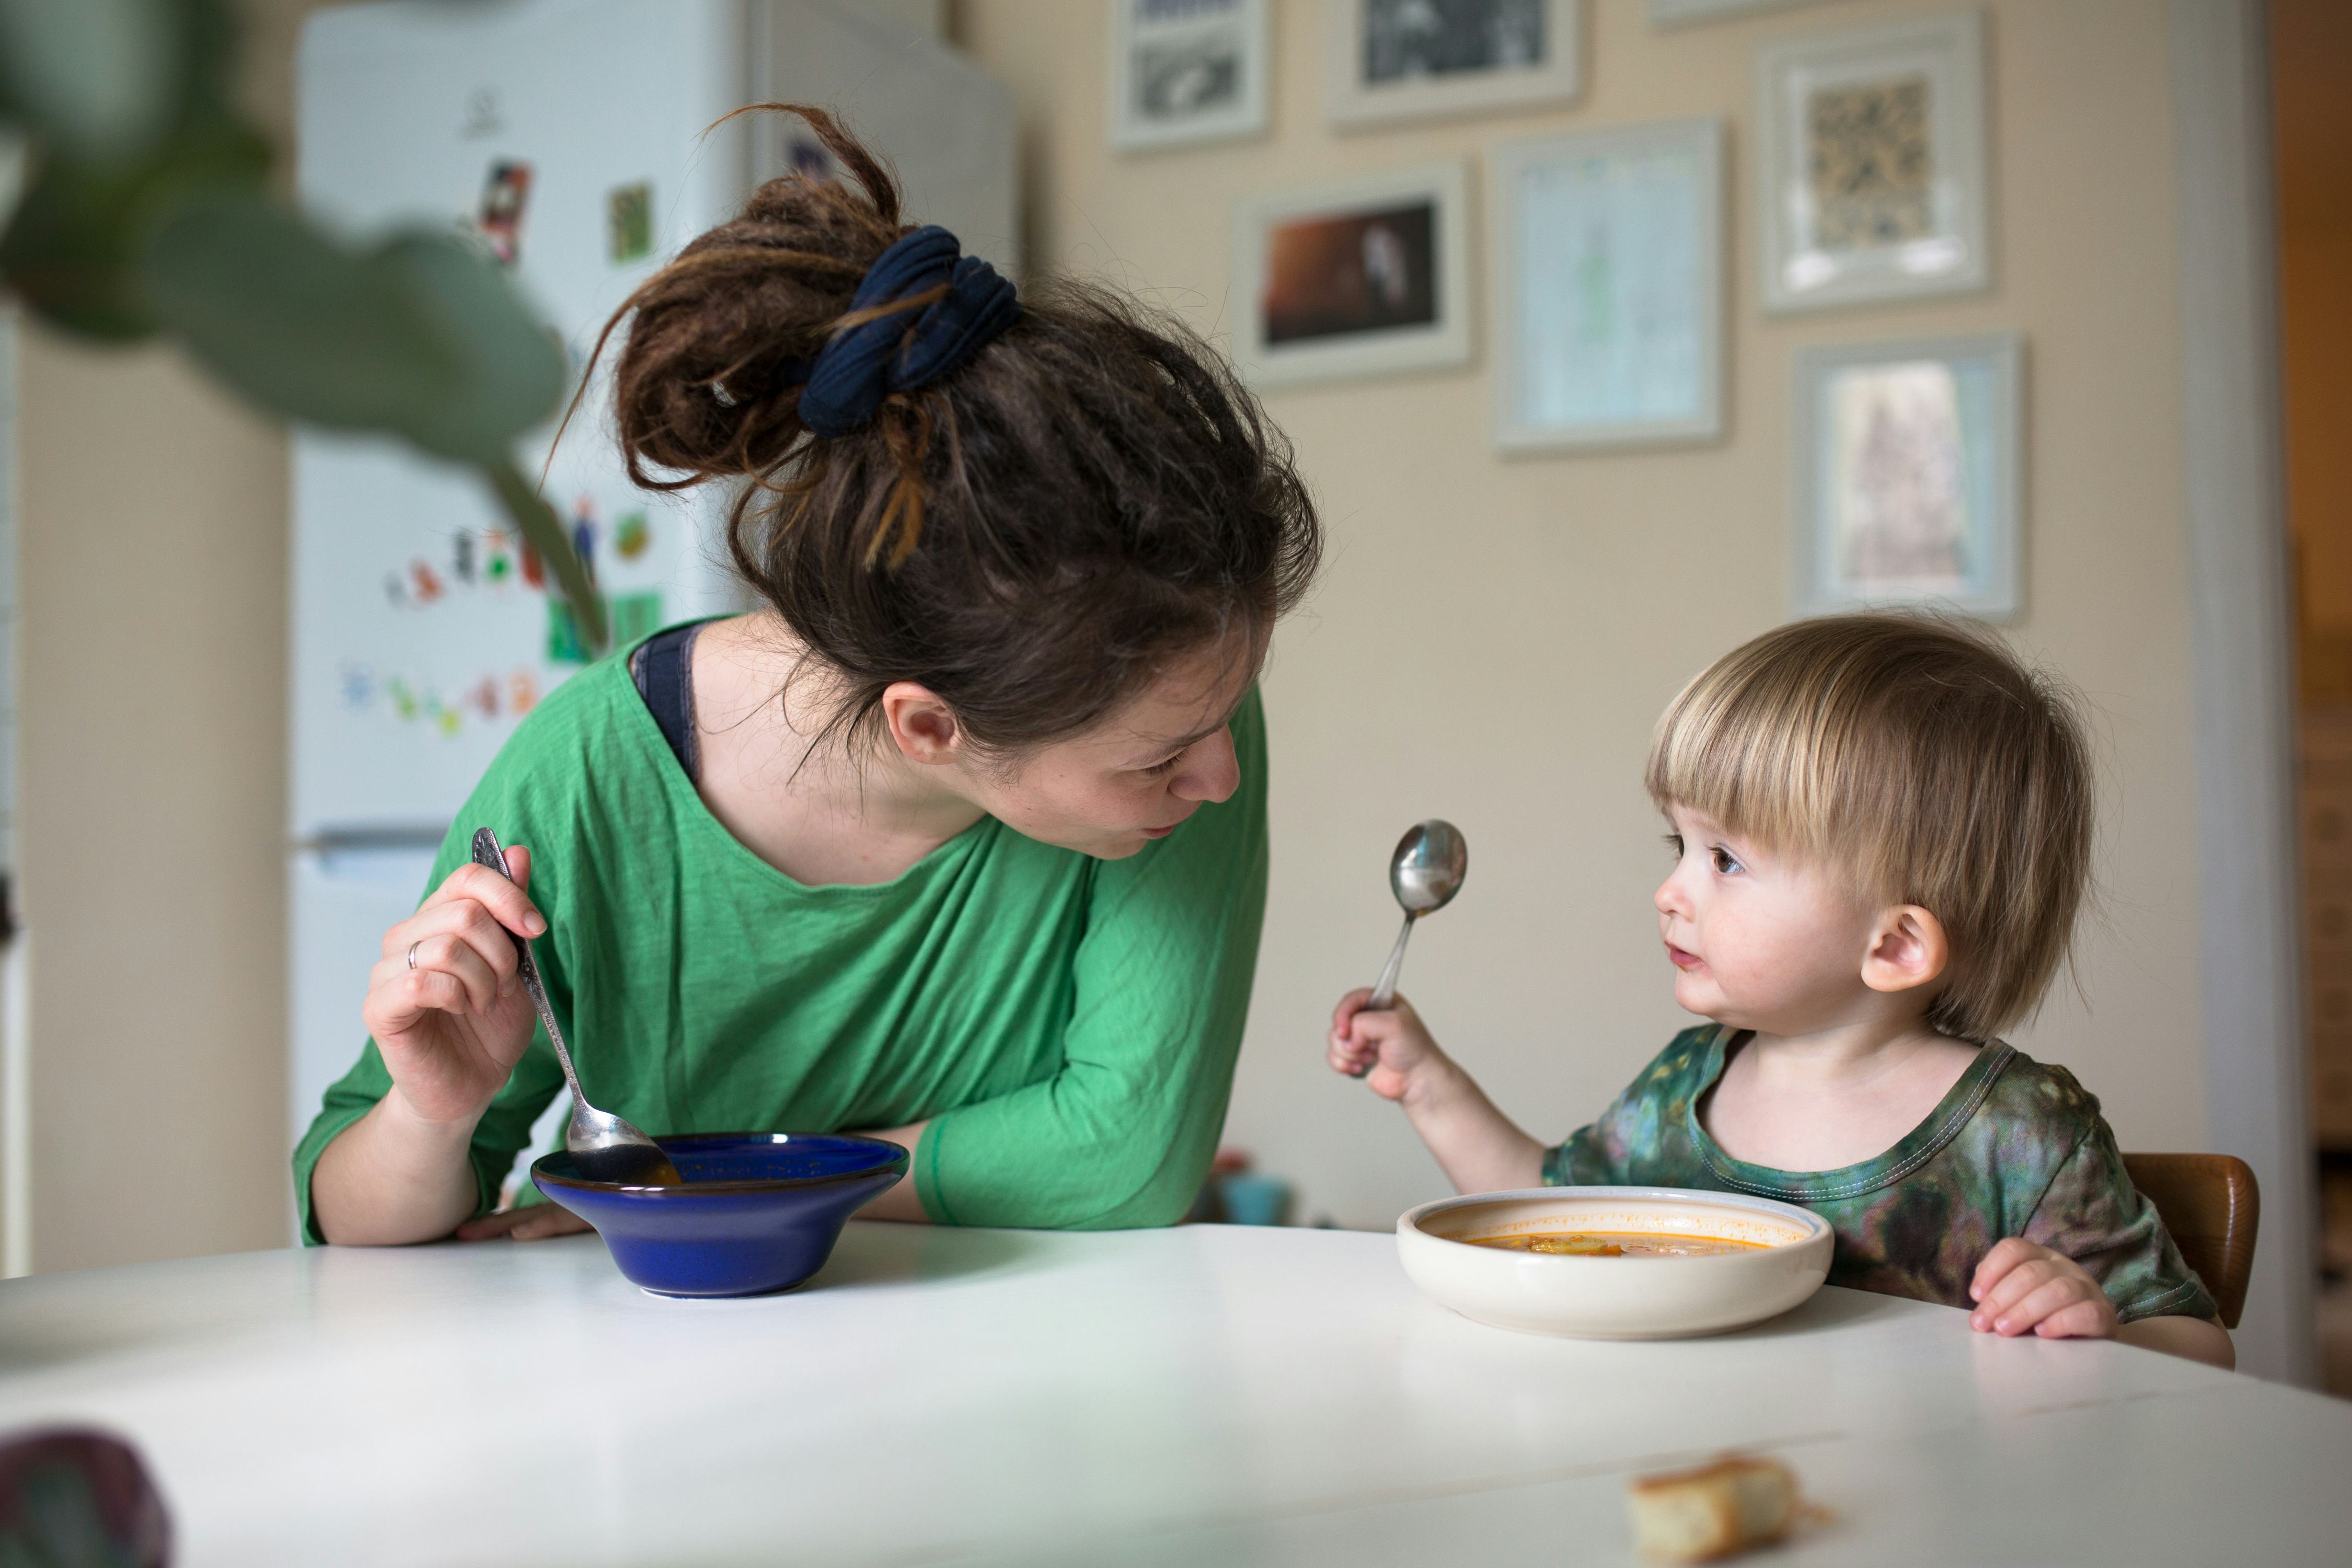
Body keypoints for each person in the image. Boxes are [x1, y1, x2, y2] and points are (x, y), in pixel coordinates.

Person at [301, 106, 1321, 1246]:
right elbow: (350, 1229)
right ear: (930, 726)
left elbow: (1127, 1159)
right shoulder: (586, 781)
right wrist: (431, 1120)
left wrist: (701, 1188)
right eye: (1162, 760)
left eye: (1218, 722)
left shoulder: (1180, 722)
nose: (1218, 776)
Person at [1327, 614, 2234, 1368]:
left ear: (1895, 944)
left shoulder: (2019, 1136)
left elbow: (2199, 1342)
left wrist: (2101, 1323)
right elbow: (1537, 1201)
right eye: (1675, 847)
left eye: (1725, 859)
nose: (1671, 891)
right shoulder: (1687, 1086)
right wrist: (1427, 1079)